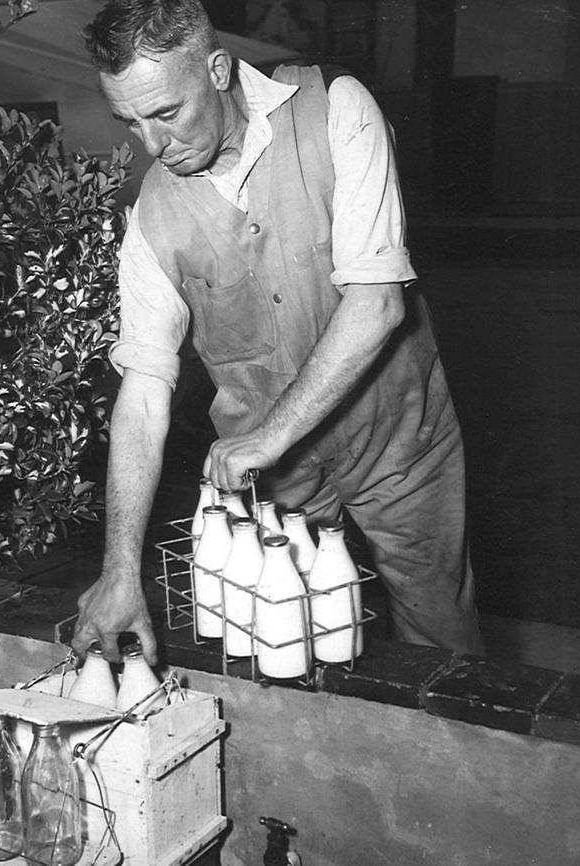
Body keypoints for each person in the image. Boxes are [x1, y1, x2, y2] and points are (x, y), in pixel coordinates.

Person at [71, 0, 484, 664]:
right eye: (131, 122)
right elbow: (144, 392)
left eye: (166, 113)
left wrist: (271, 435)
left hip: (400, 434)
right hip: (273, 480)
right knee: (285, 641)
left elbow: (377, 303)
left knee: (439, 631)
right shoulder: (150, 216)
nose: (151, 145)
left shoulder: (337, 108)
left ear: (218, 69)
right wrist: (120, 569)